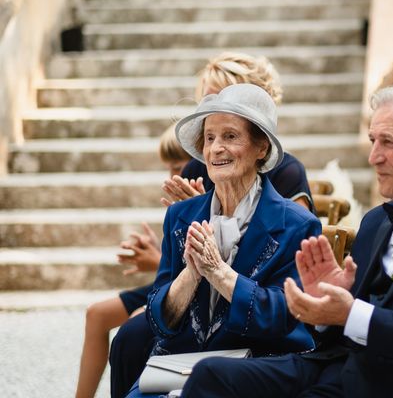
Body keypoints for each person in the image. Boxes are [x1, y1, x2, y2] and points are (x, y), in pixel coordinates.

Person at [180, 80, 393, 398]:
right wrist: (325, 307)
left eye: (389, 142)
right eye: (372, 141)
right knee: (209, 374)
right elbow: (334, 331)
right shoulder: (377, 221)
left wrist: (351, 313)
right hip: (332, 363)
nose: (374, 157)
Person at [109, 53, 316, 397]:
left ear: (261, 147)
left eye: (230, 136)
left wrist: (221, 273)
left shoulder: (296, 224)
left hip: (255, 367)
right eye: (209, 138)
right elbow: (160, 319)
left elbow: (284, 317)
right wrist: (191, 274)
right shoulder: (181, 216)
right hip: (179, 366)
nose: (216, 148)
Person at [74, 124, 191, 398]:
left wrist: (157, 260)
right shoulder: (177, 200)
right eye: (168, 168)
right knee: (96, 313)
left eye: (177, 167)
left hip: (183, 291)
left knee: (133, 327)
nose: (171, 176)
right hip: (168, 283)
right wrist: (157, 260)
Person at [163, 51, 313, 211]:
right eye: (208, 100)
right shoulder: (194, 170)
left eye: (226, 99)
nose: (215, 110)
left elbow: (297, 232)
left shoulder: (287, 172)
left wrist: (207, 214)